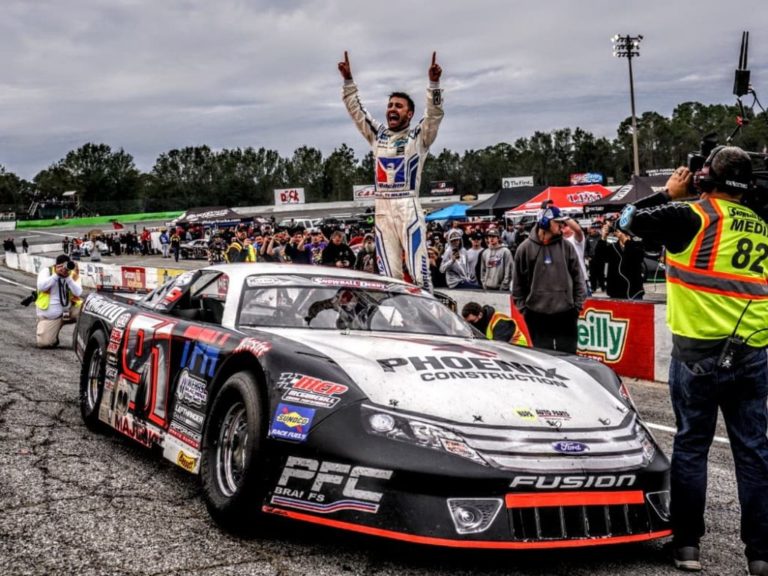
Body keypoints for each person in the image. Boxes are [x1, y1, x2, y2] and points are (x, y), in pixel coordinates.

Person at [620, 146, 768, 575]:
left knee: (691, 448)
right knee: (754, 453)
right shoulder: (761, 225)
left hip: (697, 352)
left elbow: (625, 222)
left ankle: (687, 548)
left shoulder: (690, 215)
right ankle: (760, 555)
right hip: (753, 351)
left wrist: (667, 193)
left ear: (705, 179)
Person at [339, 50, 443, 291]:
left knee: (420, 274)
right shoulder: (378, 135)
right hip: (382, 207)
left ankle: (429, 319)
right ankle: (396, 321)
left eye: (398, 106)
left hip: (408, 206)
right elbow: (357, 113)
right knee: (388, 277)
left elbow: (434, 114)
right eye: (389, 105)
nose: (392, 109)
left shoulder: (419, 136)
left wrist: (434, 85)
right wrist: (348, 82)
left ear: (410, 113)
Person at [512, 205, 586, 353]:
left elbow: (578, 277)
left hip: (566, 313)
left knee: (568, 358)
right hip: (536, 315)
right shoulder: (524, 249)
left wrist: (577, 306)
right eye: (557, 222)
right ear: (544, 223)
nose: (561, 225)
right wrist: (524, 309)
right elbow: (518, 284)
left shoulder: (567, 246)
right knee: (544, 359)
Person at [35, 254, 83, 348]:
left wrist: (67, 278)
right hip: (51, 317)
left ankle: (80, 342)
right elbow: (41, 287)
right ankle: (52, 333)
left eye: (66, 266)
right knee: (44, 343)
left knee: (87, 311)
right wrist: (56, 275)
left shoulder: (72, 274)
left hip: (68, 311)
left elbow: (78, 292)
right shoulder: (47, 271)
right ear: (56, 265)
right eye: (61, 266)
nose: (64, 269)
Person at [594, 222, 645, 300]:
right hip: (616, 290)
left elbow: (639, 257)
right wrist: (603, 238)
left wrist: (625, 240)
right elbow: (599, 258)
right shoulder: (613, 244)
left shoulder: (637, 241)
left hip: (634, 290)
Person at [461, 301, 529, 347]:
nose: (471, 324)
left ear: (480, 315)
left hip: (518, 350)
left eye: (472, 321)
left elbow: (498, 347)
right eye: (468, 322)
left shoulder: (501, 322)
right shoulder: (481, 322)